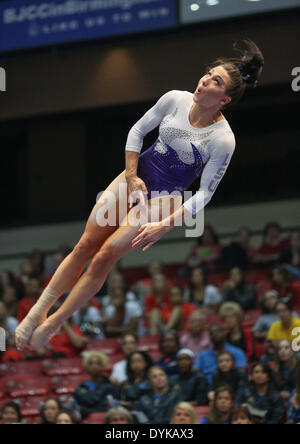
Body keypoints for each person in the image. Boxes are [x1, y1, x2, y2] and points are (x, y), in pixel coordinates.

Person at [16, 39, 264, 351]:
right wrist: (132, 176)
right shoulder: (175, 99)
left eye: (216, 81)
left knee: (105, 254)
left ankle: (55, 321)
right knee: (85, 244)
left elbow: (204, 194)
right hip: (138, 175)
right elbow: (137, 131)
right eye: (208, 73)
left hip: (165, 197)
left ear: (224, 99)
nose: (205, 80)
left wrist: (166, 225)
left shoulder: (222, 140)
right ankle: (37, 312)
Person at [73, 351, 115, 417]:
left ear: (103, 366)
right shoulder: (81, 388)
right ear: (86, 367)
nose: (94, 366)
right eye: (91, 363)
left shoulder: (109, 386)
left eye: (98, 363)